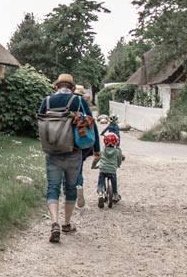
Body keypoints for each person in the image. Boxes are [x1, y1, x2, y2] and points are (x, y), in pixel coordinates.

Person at [40, 74, 93, 242]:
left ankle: (54, 222)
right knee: (70, 188)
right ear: (72, 88)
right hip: (73, 152)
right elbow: (91, 124)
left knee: (53, 188)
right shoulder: (78, 101)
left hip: (52, 152)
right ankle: (66, 224)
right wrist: (95, 150)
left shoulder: (47, 101)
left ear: (56, 87)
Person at [96, 126, 124, 207]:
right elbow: (119, 160)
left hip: (103, 169)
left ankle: (100, 194)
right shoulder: (117, 151)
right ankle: (115, 194)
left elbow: (99, 158)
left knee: (100, 183)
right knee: (114, 182)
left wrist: (97, 165)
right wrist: (118, 165)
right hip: (112, 170)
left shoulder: (103, 150)